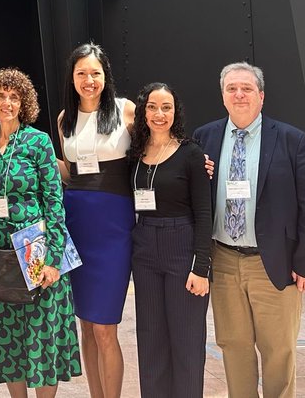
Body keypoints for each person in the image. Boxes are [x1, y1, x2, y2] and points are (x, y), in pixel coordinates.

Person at [193, 63, 305, 398]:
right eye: (232, 88)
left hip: (275, 263)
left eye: (247, 88)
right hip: (223, 260)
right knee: (233, 345)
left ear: (261, 97)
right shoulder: (204, 138)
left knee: (278, 350)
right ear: (223, 96)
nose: (239, 94)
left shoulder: (291, 140)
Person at [0, 68, 81, 397]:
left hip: (36, 254)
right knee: (9, 341)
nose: (7, 102)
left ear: (24, 103)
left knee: (41, 338)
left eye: (14, 97)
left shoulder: (38, 142)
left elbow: (54, 203)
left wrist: (52, 259)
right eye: (1, 96)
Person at [56, 43, 134, 398]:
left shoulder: (126, 110)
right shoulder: (63, 120)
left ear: (106, 76)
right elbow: (69, 173)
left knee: (105, 327)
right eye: (81, 73)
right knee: (86, 325)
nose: (89, 80)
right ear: (72, 77)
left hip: (114, 226)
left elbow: (157, 149)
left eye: (95, 73)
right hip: (76, 223)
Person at [127, 83, 211, 398]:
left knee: (186, 340)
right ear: (143, 110)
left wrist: (201, 267)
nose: (159, 114)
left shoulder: (192, 153)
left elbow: (204, 213)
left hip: (182, 246)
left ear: (175, 112)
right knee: (151, 339)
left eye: (166, 107)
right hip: (145, 247)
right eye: (152, 106)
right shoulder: (135, 152)